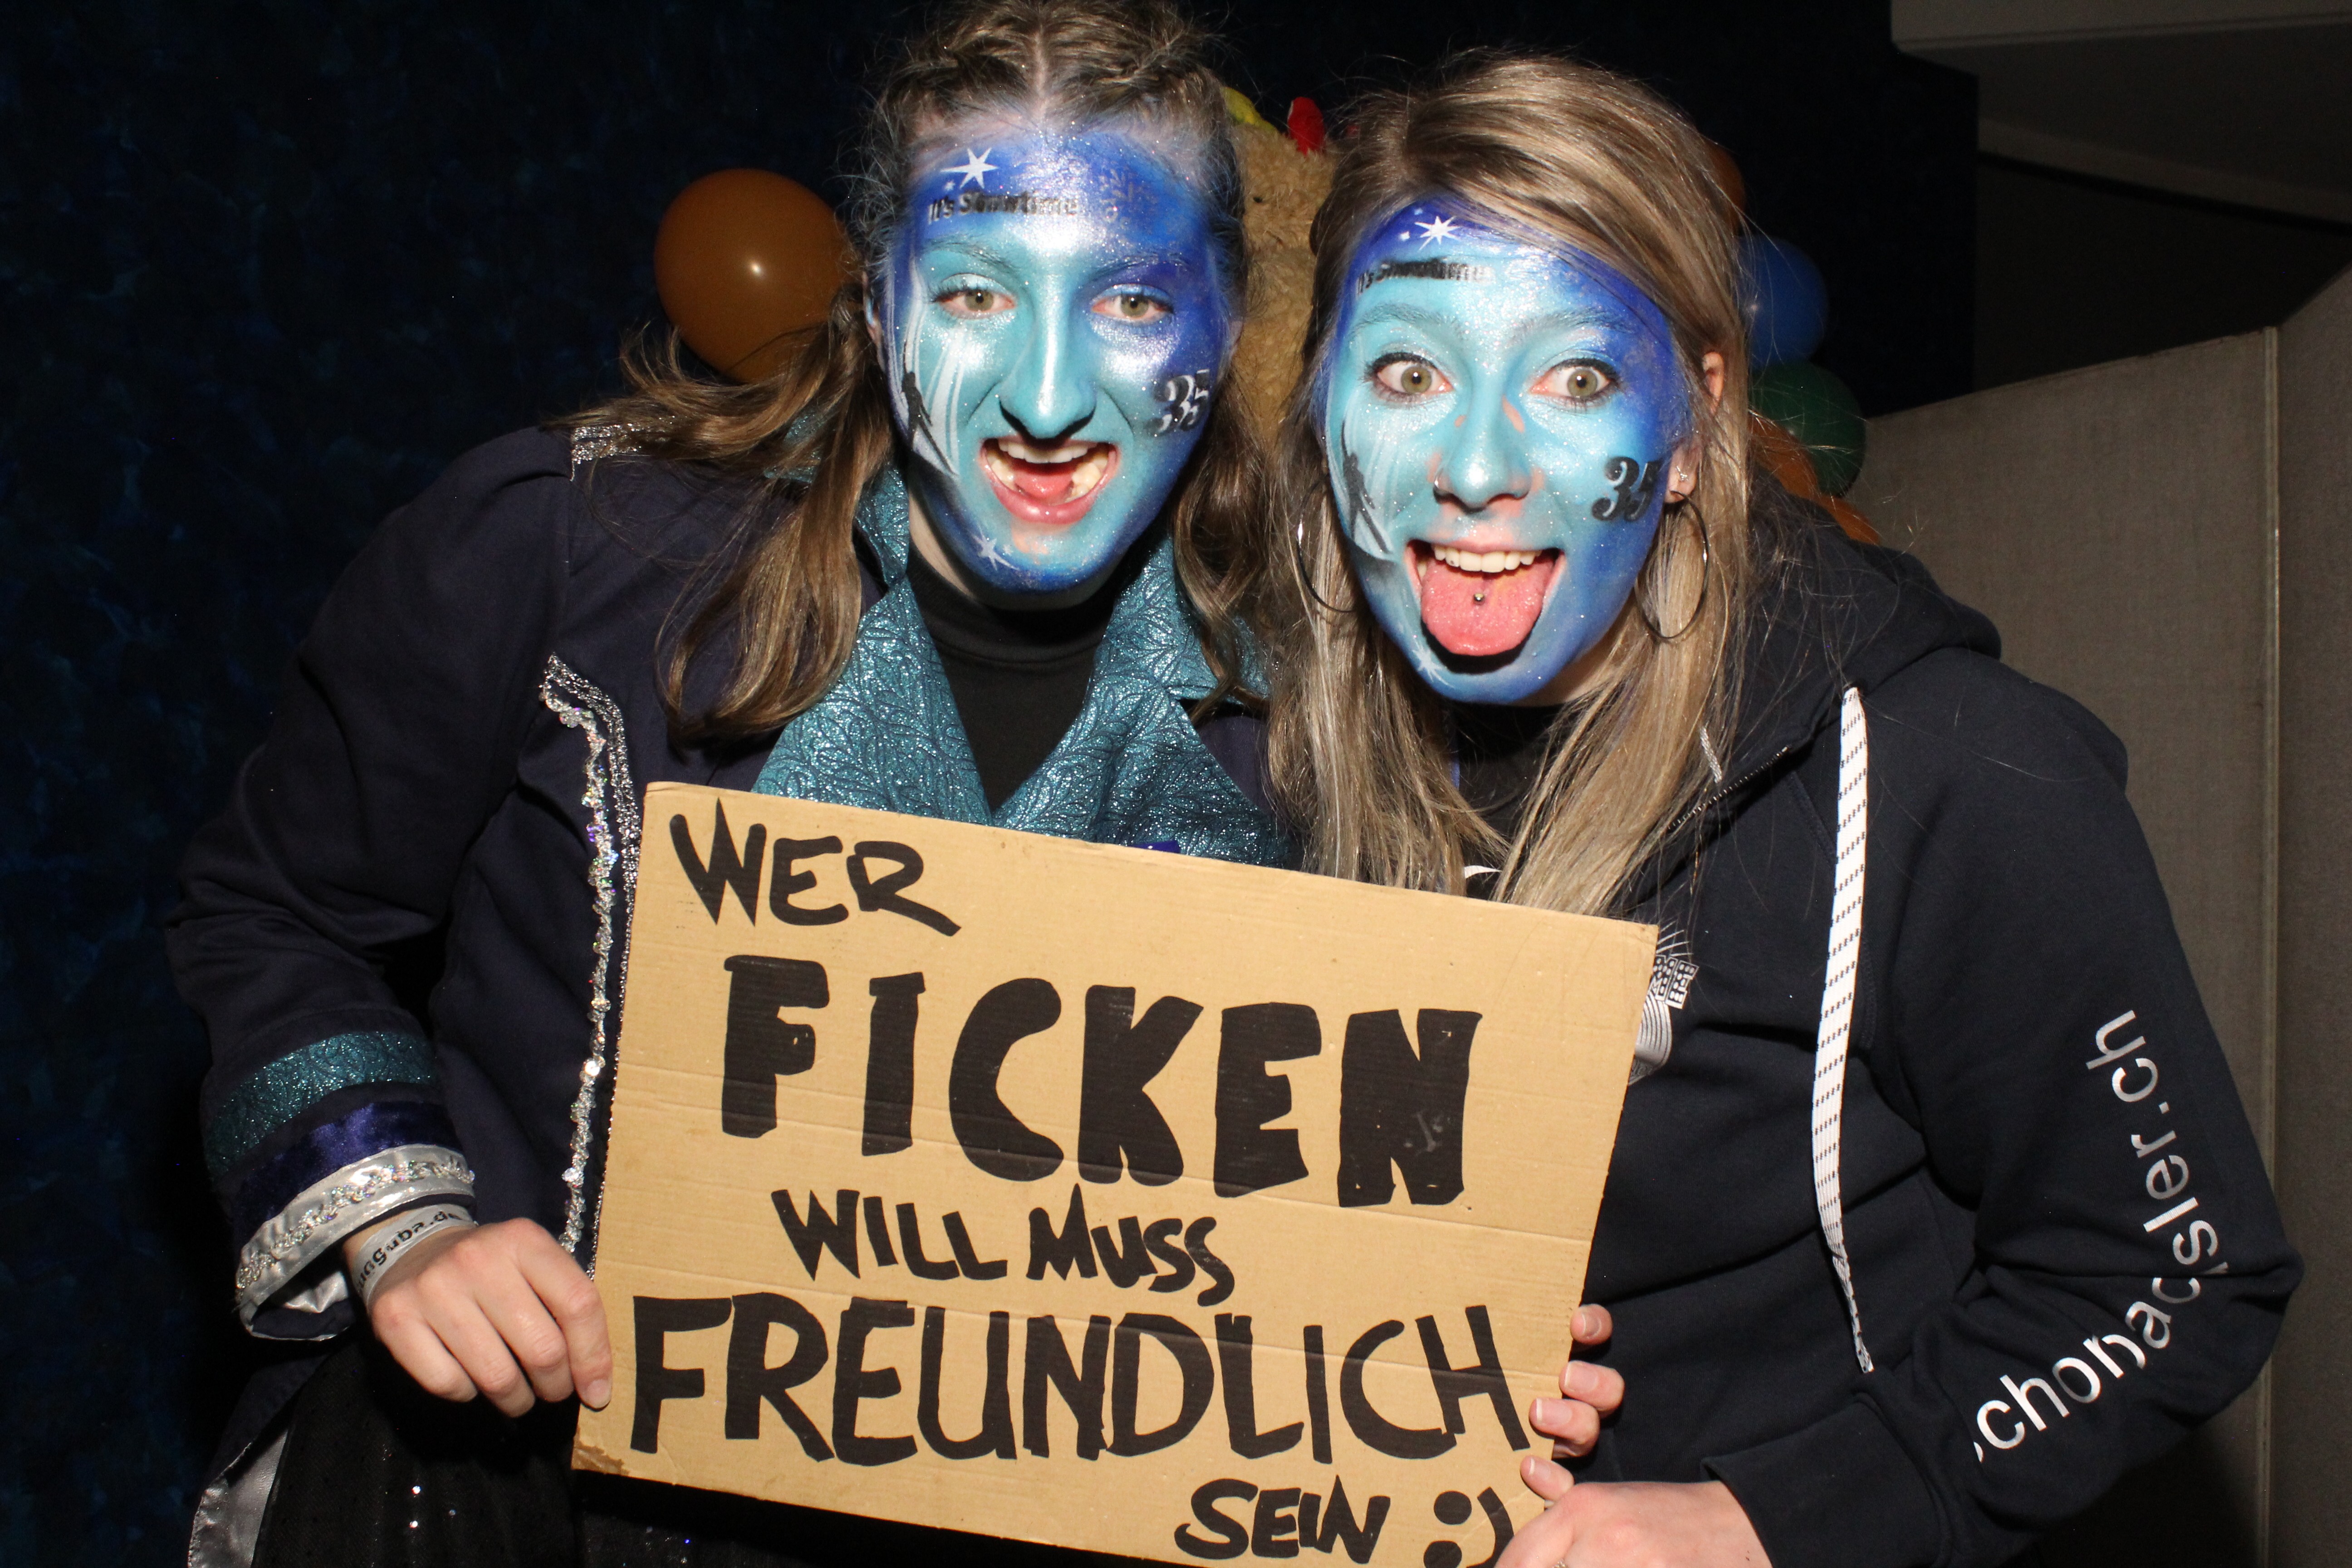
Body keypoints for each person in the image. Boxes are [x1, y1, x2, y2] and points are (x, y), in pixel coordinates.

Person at [169, 3, 1306, 1561]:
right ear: (878, 300)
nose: (1045, 400)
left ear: (1227, 323)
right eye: (975, 294)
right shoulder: (574, 552)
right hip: (520, 1494)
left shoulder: (1312, 713)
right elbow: (276, 912)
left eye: (1128, 301)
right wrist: (399, 1221)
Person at [1266, 52, 2298, 1568]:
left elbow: (2180, 1279)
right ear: (1323, 407)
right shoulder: (1267, 769)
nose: (1477, 466)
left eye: (1574, 378)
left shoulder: (1953, 772)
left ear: (1694, 429)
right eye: (1410, 375)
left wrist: (1763, 1519)